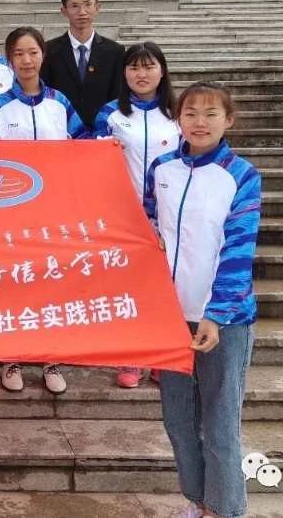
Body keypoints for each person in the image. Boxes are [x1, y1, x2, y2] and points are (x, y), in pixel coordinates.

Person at [145, 81, 260, 518]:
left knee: (220, 422)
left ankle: (225, 509)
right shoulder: (162, 169)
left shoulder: (241, 175)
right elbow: (147, 226)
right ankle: (197, 502)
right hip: (171, 318)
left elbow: (239, 248)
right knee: (178, 419)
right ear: (178, 119)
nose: (200, 122)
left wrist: (216, 313)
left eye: (211, 114)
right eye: (190, 112)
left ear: (228, 120)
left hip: (224, 321)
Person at [0, 27, 86, 395]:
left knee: (50, 283)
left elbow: (84, 146)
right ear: (9, 59)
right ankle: (11, 358)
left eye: (33, 52)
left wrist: (108, 147)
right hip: (12, 213)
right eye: (19, 54)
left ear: (43, 56)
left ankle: (50, 358)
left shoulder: (60, 103)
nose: (27, 60)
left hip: (55, 211)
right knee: (14, 283)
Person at [93, 42, 180, 389]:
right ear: (124, 73)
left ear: (162, 71)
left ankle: (161, 357)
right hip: (124, 215)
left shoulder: (177, 113)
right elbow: (92, 160)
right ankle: (131, 356)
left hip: (168, 214)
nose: (141, 74)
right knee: (128, 286)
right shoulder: (111, 114)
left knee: (166, 285)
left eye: (148, 66)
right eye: (134, 67)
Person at [41, 0, 125, 128]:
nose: (82, 12)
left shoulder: (115, 51)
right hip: (61, 130)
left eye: (88, 4)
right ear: (64, 11)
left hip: (102, 131)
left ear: (97, 8)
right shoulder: (49, 51)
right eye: (74, 6)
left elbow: (117, 96)